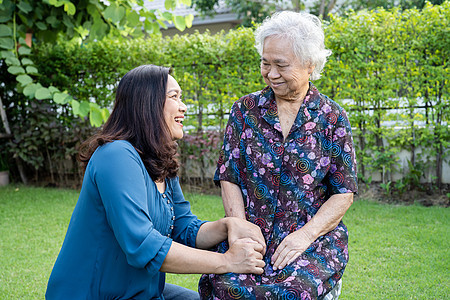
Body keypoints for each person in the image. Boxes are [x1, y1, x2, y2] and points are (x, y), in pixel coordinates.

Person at [45, 65, 266, 300]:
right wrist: (227, 261)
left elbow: (183, 227)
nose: (184, 106)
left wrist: (226, 225)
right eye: (174, 97)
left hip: (141, 291)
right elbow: (142, 246)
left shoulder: (159, 159)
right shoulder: (116, 155)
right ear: (147, 103)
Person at [199, 11, 358, 300]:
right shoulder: (245, 110)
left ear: (310, 64)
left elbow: (342, 193)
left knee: (295, 293)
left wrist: (304, 236)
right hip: (252, 234)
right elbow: (228, 176)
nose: (271, 73)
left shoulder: (332, 117)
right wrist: (241, 230)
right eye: (265, 63)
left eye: (281, 65)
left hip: (309, 240)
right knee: (225, 287)